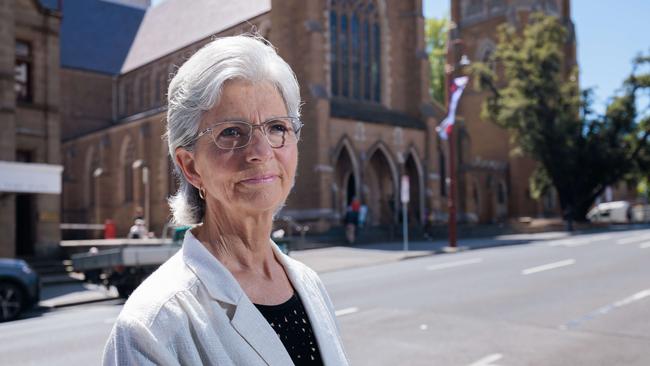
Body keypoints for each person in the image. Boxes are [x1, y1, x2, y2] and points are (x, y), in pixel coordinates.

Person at [103, 35, 348, 366]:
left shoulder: (308, 284)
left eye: (277, 127)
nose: (261, 153)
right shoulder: (152, 326)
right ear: (191, 167)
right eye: (232, 132)